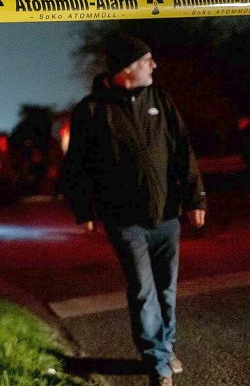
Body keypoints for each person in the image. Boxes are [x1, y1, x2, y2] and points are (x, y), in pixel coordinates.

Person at [58, 34, 205, 386]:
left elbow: (182, 150)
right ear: (126, 70)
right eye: (146, 60)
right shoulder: (91, 111)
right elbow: (76, 166)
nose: (154, 65)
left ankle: (165, 347)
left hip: (167, 214)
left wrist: (196, 198)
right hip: (124, 220)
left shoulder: (161, 100)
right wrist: (84, 210)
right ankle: (157, 362)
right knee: (143, 289)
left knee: (166, 288)